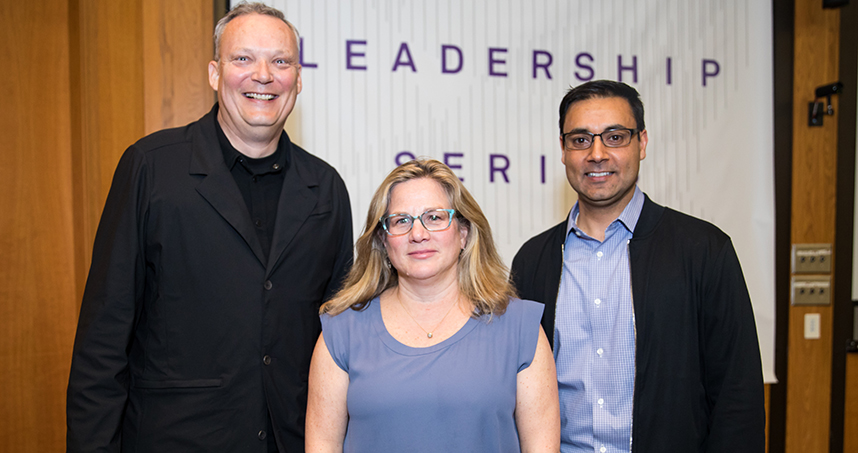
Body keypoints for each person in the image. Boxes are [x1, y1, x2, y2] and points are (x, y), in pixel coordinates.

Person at [66, 3, 353, 452]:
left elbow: (341, 342)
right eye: (243, 59)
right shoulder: (151, 168)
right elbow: (103, 341)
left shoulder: (326, 189)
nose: (263, 75)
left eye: (281, 61)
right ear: (215, 73)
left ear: (298, 78)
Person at [511, 80, 765, 452]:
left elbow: (737, 395)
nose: (596, 153)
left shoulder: (704, 251)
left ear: (642, 143)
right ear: (563, 150)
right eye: (580, 140)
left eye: (615, 137)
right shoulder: (533, 261)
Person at [305, 159, 559, 453]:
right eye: (401, 221)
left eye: (435, 217)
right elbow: (323, 444)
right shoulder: (341, 333)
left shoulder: (520, 330)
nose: (418, 234)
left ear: (464, 233)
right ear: (384, 241)